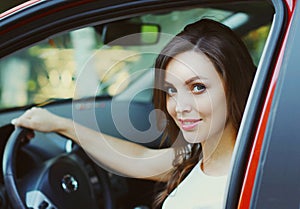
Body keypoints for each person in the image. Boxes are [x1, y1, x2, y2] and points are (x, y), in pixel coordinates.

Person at [12, 19, 256, 209]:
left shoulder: (252, 178)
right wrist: (60, 124)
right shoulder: (199, 156)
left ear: (235, 86)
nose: (179, 107)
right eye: (171, 90)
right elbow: (138, 159)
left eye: (197, 87)